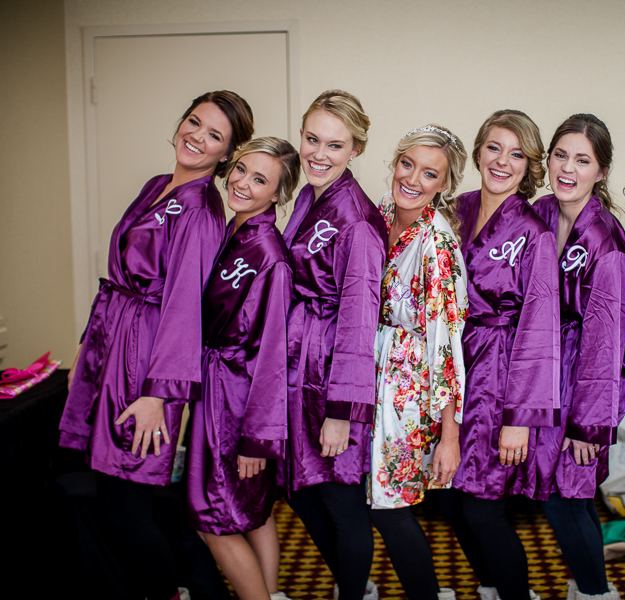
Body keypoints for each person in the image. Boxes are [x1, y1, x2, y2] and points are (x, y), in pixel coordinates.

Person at [60, 90, 255, 600]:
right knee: (121, 497)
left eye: (215, 135)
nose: (198, 136)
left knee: (127, 503)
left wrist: (159, 394)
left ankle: (172, 593)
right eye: (195, 122)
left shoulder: (201, 209)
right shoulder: (156, 186)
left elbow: (186, 307)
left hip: (145, 365)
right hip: (113, 346)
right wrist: (88, 344)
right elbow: (119, 278)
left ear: (225, 154)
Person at [439, 109, 561, 600]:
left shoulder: (535, 232)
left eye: (517, 153)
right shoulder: (456, 208)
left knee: (482, 506)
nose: (502, 161)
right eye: (494, 147)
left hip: (498, 372)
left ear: (530, 164)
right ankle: (490, 586)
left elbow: (539, 328)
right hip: (450, 365)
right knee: (448, 500)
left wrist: (520, 419)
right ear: (478, 149)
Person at [281, 90, 388, 600]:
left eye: (335, 145)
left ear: (356, 149)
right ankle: (355, 584)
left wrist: (342, 410)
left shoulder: (359, 221)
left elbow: (359, 321)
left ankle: (353, 593)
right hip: (297, 364)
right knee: (302, 491)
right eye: (311, 139)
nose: (319, 154)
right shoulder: (309, 196)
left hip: (331, 374)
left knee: (341, 501)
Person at [187, 137, 301, 600]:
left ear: (277, 194)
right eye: (240, 170)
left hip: (236, 403)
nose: (242, 183)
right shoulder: (230, 232)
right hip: (219, 388)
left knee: (210, 516)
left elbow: (272, 356)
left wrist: (258, 438)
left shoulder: (269, 256)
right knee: (252, 509)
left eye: (260, 180)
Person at [532, 114, 625, 600]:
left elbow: (606, 343)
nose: (567, 169)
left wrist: (589, 425)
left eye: (582, 160)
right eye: (560, 155)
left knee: (566, 500)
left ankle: (595, 593)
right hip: (544, 376)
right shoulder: (541, 213)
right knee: (558, 499)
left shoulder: (606, 242)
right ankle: (587, 587)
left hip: (584, 384)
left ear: (602, 171)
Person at [368, 124, 469, 600]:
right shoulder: (383, 212)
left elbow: (447, 346)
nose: (413, 179)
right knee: (370, 499)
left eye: (429, 173)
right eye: (407, 164)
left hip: (409, 386)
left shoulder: (438, 244)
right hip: (370, 367)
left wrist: (449, 437)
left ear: (444, 185)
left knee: (389, 505)